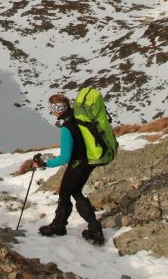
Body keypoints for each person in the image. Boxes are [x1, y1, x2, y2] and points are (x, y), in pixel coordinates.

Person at [32, 93, 105, 245]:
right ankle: (92, 228)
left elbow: (65, 157)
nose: (52, 113)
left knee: (65, 194)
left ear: (59, 109)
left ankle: (60, 226)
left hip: (77, 165)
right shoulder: (78, 118)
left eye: (53, 109)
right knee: (76, 192)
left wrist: (45, 163)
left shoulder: (67, 128)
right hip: (89, 162)